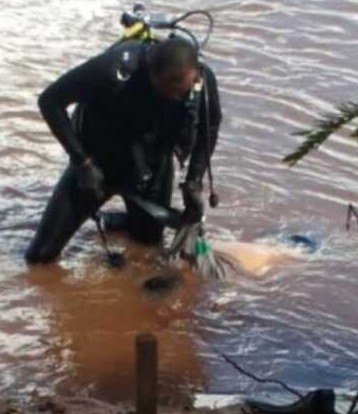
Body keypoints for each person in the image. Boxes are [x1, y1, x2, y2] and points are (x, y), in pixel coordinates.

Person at [25, 35, 221, 264]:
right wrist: (82, 162)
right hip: (96, 166)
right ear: (151, 73)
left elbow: (211, 126)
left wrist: (194, 180)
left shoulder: (201, 82)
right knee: (39, 258)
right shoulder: (113, 69)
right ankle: (111, 216)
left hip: (149, 171)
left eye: (183, 92)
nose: (178, 98)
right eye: (171, 91)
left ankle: (121, 221)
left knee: (147, 248)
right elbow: (50, 100)